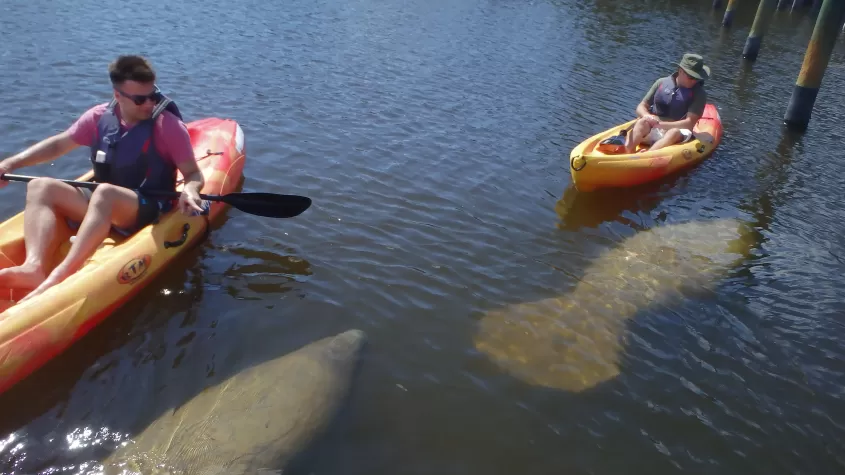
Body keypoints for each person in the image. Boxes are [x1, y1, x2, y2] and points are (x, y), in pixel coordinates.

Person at [0, 55, 205, 302]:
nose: (149, 103)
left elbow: (193, 174)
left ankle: (61, 275)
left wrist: (191, 190)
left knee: (105, 193)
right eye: (140, 99)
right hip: (105, 201)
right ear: (117, 95)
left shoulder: (168, 126)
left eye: (154, 95)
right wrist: (11, 163)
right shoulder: (99, 117)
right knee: (39, 186)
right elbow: (58, 145)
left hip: (147, 205)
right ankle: (34, 267)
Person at [624, 53, 710, 154]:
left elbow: (689, 123)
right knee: (642, 122)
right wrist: (647, 116)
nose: (694, 81)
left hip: (678, 131)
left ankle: (646, 156)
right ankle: (627, 153)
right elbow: (641, 106)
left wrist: (660, 125)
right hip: (654, 126)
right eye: (691, 77)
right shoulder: (661, 83)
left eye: (697, 78)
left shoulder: (699, 94)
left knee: (673, 132)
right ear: (680, 71)